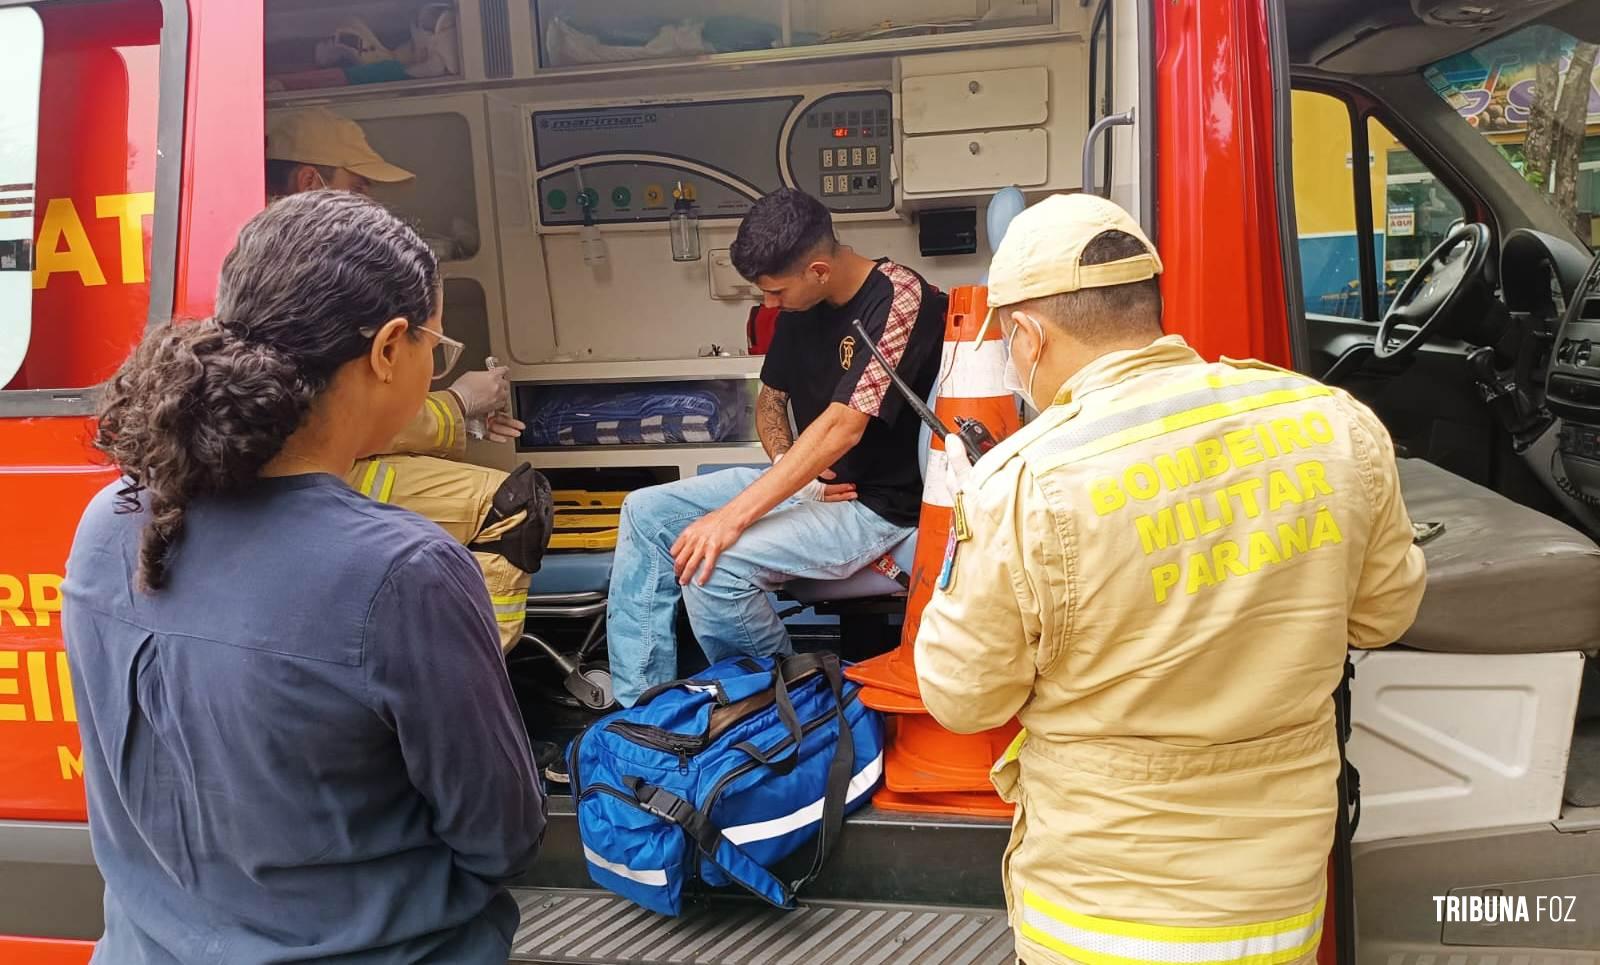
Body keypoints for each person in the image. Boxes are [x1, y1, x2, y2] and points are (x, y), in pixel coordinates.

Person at [913, 193, 1427, 965]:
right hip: (1277, 908)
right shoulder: (1333, 423)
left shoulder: (1021, 484)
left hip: (1097, 922)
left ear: (1027, 335)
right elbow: (1384, 614)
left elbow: (962, 697)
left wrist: (974, 519)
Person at [62, 191, 546, 964]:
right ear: (390, 348)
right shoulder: (405, 573)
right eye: (435, 346)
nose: (433, 363)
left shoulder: (108, 524)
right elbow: (502, 835)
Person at [604, 188, 950, 707]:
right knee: (646, 511)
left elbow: (843, 427)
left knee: (714, 565)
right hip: (811, 487)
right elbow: (771, 401)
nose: (769, 306)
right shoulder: (800, 305)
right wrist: (792, 468)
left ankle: (783, 705)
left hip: (876, 506)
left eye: (775, 293)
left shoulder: (901, 299)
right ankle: (645, 707)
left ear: (817, 270)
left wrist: (731, 518)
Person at [268, 106, 542, 651]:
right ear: (309, 182)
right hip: (309, 471)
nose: (374, 204)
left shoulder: (274, 259)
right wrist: (459, 403)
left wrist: (467, 419)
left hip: (315, 463)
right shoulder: (305, 278)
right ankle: (468, 672)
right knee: (513, 501)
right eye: (361, 186)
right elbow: (336, 413)